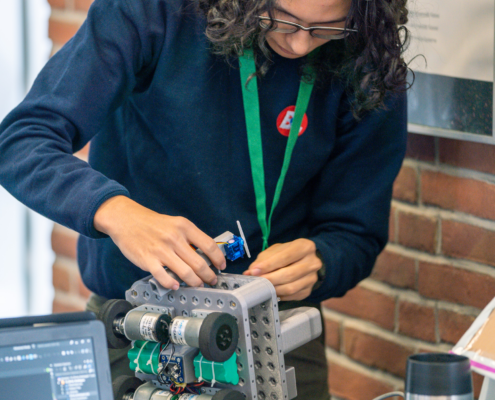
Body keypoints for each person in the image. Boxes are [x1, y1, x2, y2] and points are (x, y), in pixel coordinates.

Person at [0, 0, 410, 398]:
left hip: (276, 332)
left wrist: (324, 260)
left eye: (327, 28)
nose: (301, 45)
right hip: (138, 328)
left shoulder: (369, 54)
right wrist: (117, 213)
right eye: (282, 18)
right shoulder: (153, 12)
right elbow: (22, 141)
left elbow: (355, 233)